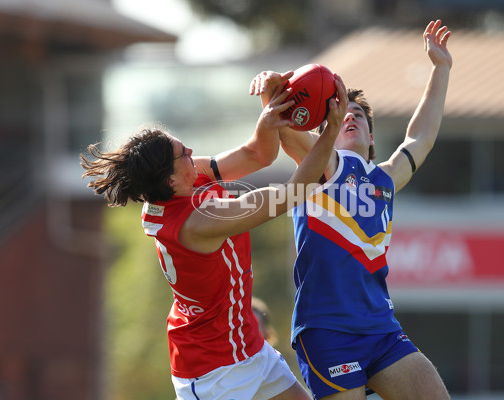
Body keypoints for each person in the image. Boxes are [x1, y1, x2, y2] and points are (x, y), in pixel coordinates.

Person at [81, 78, 348, 400]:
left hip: (247, 345)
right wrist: (330, 132)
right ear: (170, 177)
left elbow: (257, 154)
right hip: (213, 373)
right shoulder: (198, 221)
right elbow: (293, 192)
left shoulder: (185, 179)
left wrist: (269, 112)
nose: (192, 152)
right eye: (184, 153)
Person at [249, 20, 452, 399]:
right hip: (327, 330)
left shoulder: (385, 179)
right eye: (342, 114)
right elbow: (285, 129)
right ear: (326, 129)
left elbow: (420, 136)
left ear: (371, 137)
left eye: (359, 114)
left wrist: (441, 69)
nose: (351, 116)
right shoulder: (321, 166)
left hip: (381, 328)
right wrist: (273, 92)